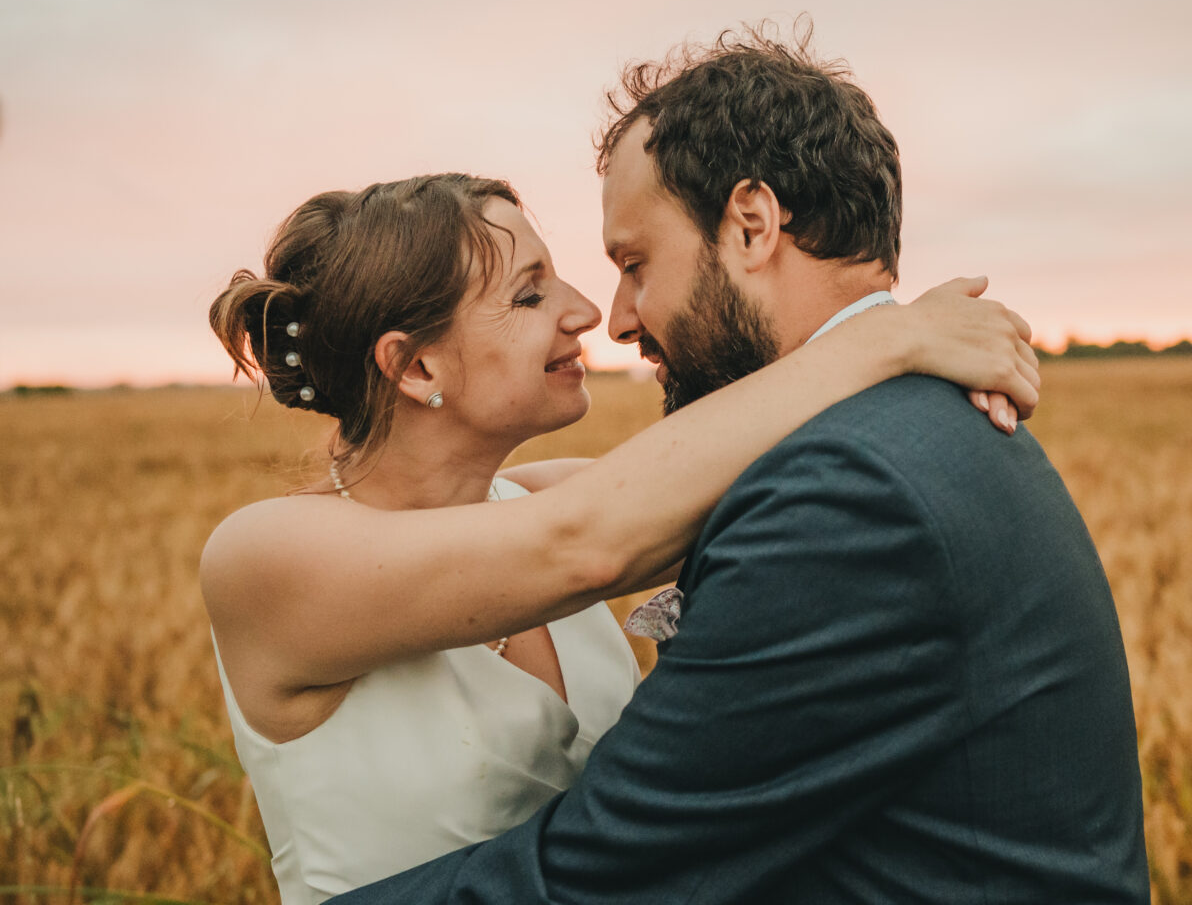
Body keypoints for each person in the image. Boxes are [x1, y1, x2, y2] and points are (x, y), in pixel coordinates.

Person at [336, 27, 1150, 904]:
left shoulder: (846, 496)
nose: (616, 318)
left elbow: (604, 878)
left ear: (753, 226)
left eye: (635, 264)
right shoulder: (894, 432)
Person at [202, 171, 1040, 903]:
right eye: (530, 295)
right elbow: (584, 542)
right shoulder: (266, 558)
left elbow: (789, 493)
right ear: (417, 366)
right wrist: (884, 339)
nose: (587, 313)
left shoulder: (539, 496)